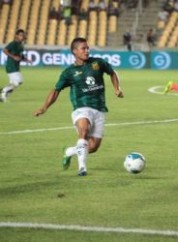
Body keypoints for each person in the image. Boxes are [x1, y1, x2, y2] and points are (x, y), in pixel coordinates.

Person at [34, 37, 124, 176]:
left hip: (99, 109)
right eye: (83, 48)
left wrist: (117, 88)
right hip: (81, 108)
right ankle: (82, 168)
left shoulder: (98, 63)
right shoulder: (69, 72)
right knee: (84, 131)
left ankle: (70, 151)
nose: (87, 51)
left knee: (93, 147)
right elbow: (56, 90)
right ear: (74, 51)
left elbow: (112, 73)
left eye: (87, 48)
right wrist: (44, 107)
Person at [0, 29, 32, 102]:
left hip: (16, 66)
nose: (22, 37)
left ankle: (3, 95)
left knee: (16, 83)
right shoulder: (13, 43)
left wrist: (27, 60)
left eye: (23, 35)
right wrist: (13, 56)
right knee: (18, 82)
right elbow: (5, 50)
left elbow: (20, 56)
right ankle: (4, 90)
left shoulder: (21, 45)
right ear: (16, 36)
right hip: (11, 66)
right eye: (21, 35)